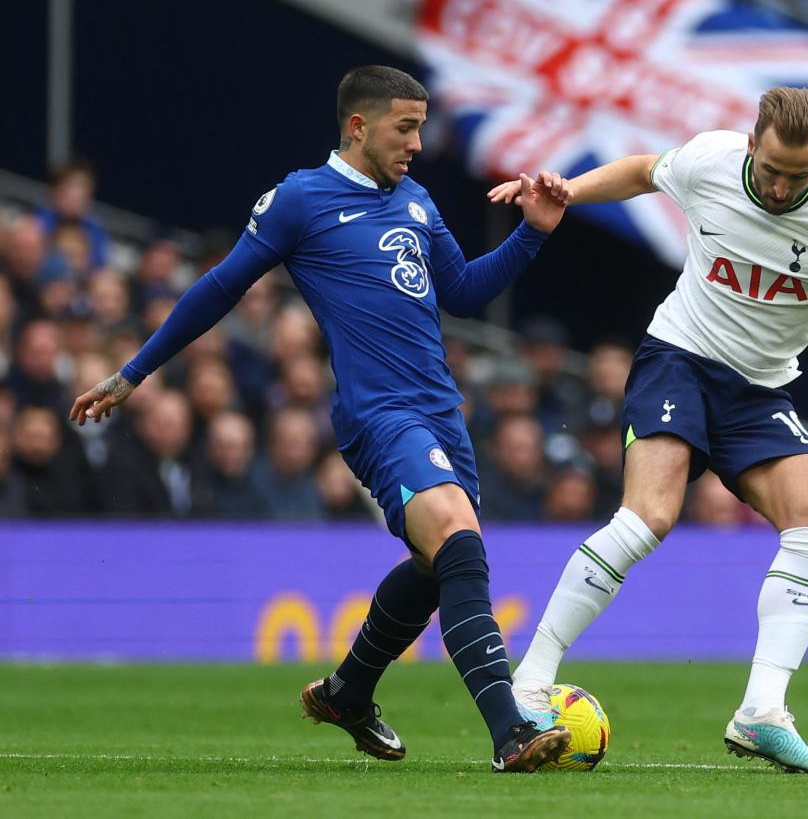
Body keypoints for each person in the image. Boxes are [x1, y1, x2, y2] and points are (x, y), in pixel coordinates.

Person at [70, 65, 571, 772]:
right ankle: (509, 731)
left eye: (422, 127)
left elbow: (461, 290)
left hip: (440, 413)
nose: (418, 144)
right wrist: (133, 372)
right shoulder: (301, 199)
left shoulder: (417, 200)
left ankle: (347, 691)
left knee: (436, 568)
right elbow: (219, 288)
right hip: (380, 415)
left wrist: (532, 234)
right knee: (460, 544)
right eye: (406, 127)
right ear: (359, 126)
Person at [489, 86, 808, 773]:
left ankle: (761, 711)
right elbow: (643, 170)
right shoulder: (710, 160)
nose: (778, 186)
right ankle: (529, 680)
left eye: (797, 176)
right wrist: (569, 192)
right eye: (770, 167)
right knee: (650, 514)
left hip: (760, 388)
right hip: (678, 358)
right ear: (751, 141)